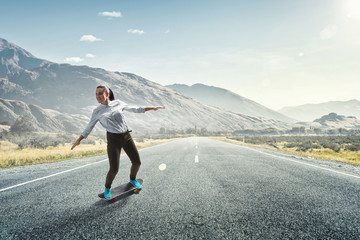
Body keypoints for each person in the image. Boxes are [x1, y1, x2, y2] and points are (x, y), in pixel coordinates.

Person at [71, 85, 165, 199]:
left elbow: (136, 109)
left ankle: (132, 179)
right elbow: (88, 127)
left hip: (126, 137)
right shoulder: (97, 111)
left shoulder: (118, 103)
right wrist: (78, 140)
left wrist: (152, 108)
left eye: (100, 93)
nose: (98, 96)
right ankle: (107, 188)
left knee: (137, 162)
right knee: (114, 169)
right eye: (96, 94)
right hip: (113, 140)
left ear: (107, 94)